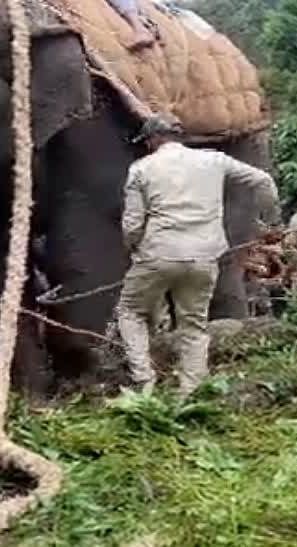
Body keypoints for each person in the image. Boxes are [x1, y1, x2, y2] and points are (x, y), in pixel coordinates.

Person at [116, 115, 280, 396]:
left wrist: (133, 248)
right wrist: (272, 221)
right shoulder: (214, 160)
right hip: (204, 257)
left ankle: (144, 381)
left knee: (130, 312)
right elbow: (263, 180)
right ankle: (190, 390)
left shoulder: (142, 168)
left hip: (158, 253)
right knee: (193, 325)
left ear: (153, 140)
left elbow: (132, 224)